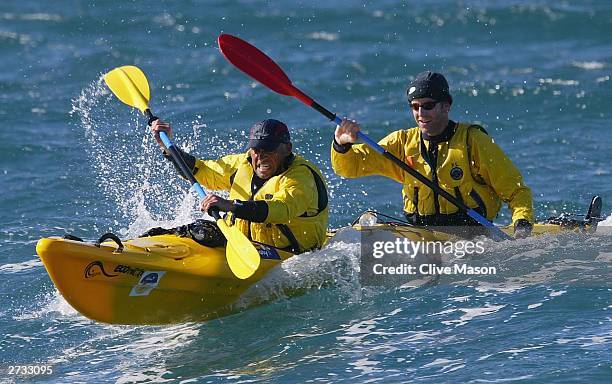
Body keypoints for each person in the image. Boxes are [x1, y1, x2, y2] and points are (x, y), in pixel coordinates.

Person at [331, 71, 534, 237]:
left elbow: (516, 191)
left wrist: (522, 228)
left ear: (446, 105)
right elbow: (351, 167)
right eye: (415, 107)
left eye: (428, 106)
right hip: (422, 235)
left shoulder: (473, 141)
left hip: (473, 236)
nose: (421, 114)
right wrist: (341, 144)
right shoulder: (402, 142)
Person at [147, 118, 329, 253]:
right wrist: (167, 147)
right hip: (244, 244)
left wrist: (231, 206)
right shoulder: (243, 163)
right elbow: (199, 170)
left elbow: (281, 209)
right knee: (197, 230)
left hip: (290, 254)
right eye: (257, 150)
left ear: (287, 148)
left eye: (269, 150)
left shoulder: (301, 177)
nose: (261, 156)